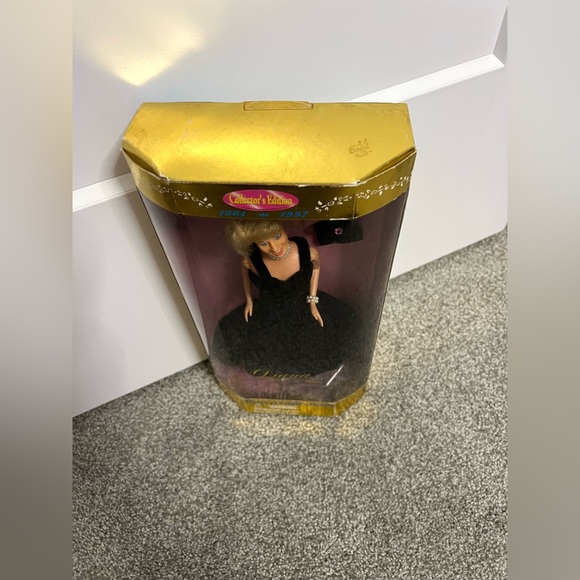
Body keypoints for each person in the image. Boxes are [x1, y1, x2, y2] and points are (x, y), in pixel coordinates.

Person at [211, 220, 357, 377]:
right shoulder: (250, 261)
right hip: (270, 310)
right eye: (263, 243)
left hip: (302, 305)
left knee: (319, 342)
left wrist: (312, 301)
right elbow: (245, 275)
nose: (274, 248)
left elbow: (316, 268)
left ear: (283, 228)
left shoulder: (308, 253)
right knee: (258, 344)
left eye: (277, 236)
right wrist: (249, 300)